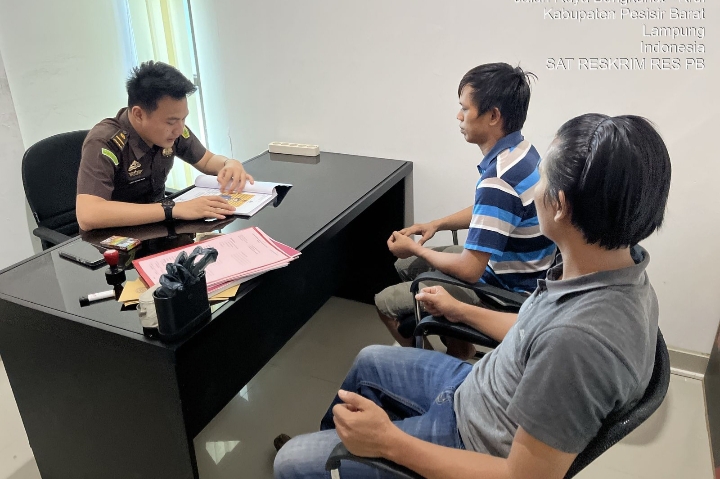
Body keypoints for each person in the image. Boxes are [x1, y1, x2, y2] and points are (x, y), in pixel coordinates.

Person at [273, 113, 672, 479]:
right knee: (369, 360)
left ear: (561, 206)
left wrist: (388, 443)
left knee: (288, 462)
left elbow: (522, 477)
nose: (534, 190)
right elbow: (532, 332)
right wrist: (460, 310)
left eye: (542, 180)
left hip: (473, 441)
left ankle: (329, 460)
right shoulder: (616, 269)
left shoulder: (578, 343)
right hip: (480, 388)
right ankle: (333, 457)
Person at [375, 63, 556, 359]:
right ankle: (460, 349)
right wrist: (437, 224)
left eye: (465, 109)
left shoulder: (498, 179)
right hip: (528, 274)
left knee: (385, 303)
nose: (459, 117)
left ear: (493, 116)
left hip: (506, 290)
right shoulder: (523, 153)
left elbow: (470, 271)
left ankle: (434, 367)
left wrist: (416, 249)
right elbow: (493, 213)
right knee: (405, 266)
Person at [76, 60, 253, 231]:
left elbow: (207, 161)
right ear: (139, 114)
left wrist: (229, 163)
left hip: (159, 228)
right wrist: (172, 209)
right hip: (119, 237)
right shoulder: (105, 142)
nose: (179, 129)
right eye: (171, 121)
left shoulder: (172, 131)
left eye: (183, 119)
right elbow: (89, 215)